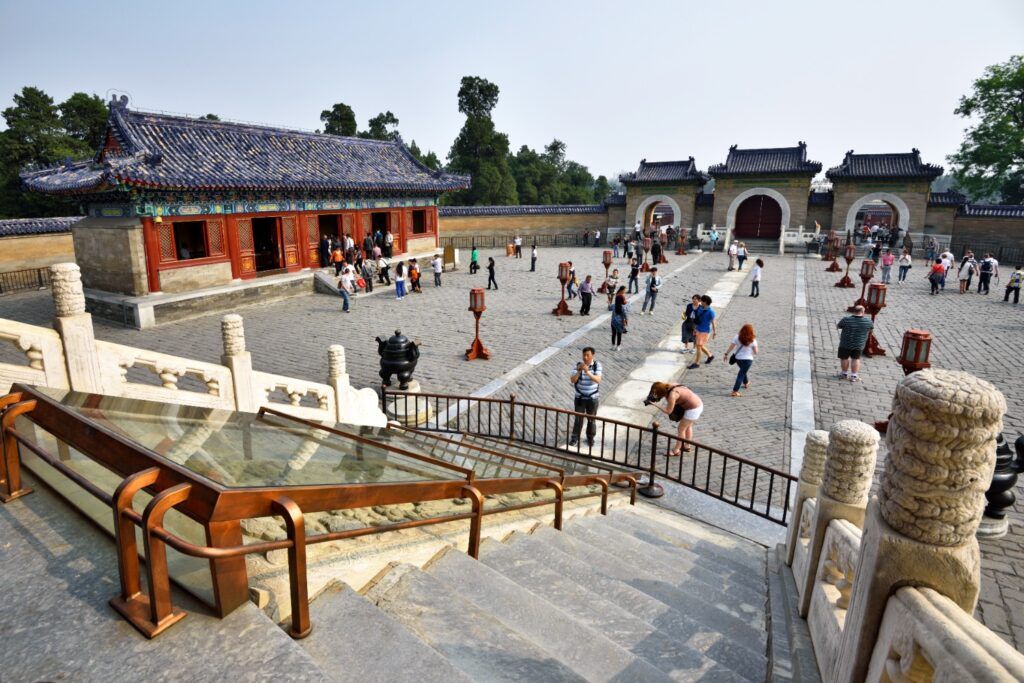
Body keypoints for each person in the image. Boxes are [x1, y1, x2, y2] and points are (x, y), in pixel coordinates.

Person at [645, 382, 702, 456]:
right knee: (688, 426)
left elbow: (668, 411)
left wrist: (654, 404)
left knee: (681, 429)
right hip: (697, 403)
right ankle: (687, 446)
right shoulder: (672, 385)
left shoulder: (673, 395)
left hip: (693, 410)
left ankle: (676, 450)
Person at [569, 347, 601, 447]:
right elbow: (573, 380)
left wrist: (587, 372)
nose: (585, 357)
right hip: (580, 398)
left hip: (592, 399)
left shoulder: (597, 365)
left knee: (591, 419)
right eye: (584, 355)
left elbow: (598, 380)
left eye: (587, 355)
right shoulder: (578, 365)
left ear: (593, 355)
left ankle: (590, 438)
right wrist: (579, 371)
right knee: (578, 419)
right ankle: (575, 438)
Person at [836, 305, 873, 382]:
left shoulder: (846, 319)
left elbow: (838, 326)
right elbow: (870, 330)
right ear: (863, 312)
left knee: (844, 358)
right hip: (859, 344)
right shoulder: (868, 321)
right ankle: (854, 376)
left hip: (845, 343)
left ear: (854, 311)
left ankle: (844, 374)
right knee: (856, 359)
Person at [723, 324, 758, 396]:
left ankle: (746, 383)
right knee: (741, 374)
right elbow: (756, 352)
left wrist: (726, 354)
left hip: (738, 359)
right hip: (748, 360)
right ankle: (735, 391)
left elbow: (731, 347)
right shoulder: (752, 339)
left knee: (743, 371)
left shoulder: (737, 337)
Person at [690, 295, 717, 368]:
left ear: (705, 302)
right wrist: (695, 329)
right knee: (700, 346)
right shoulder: (700, 309)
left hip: (704, 332)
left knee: (698, 346)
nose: (700, 302)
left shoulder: (711, 312)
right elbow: (698, 321)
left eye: (701, 301)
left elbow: (713, 322)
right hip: (698, 330)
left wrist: (714, 332)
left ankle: (697, 363)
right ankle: (710, 355)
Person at [611, 286, 628, 350]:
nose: (625, 291)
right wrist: (626, 320)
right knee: (619, 333)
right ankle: (618, 346)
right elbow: (625, 315)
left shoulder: (614, 307)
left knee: (613, 333)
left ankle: (613, 345)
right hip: (619, 320)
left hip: (613, 321)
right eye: (624, 290)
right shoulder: (622, 307)